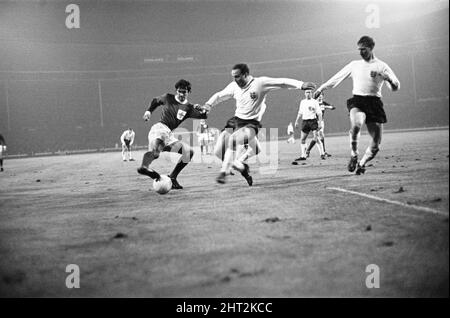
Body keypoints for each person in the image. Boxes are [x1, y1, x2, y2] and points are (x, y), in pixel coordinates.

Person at [200, 63, 316, 185]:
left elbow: (281, 82)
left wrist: (300, 85)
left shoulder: (260, 83)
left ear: (246, 74)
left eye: (238, 76)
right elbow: (219, 95)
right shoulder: (234, 86)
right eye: (233, 76)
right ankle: (241, 167)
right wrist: (208, 104)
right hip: (235, 121)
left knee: (234, 141)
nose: (235, 79)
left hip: (250, 124)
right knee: (218, 152)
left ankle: (223, 172)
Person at [314, 36, 400, 175]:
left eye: (363, 49)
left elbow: (396, 87)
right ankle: (354, 155)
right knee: (356, 124)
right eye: (359, 49)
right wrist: (321, 88)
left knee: (376, 146)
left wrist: (386, 77)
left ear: (371, 48)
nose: (360, 52)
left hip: (374, 103)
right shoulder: (354, 65)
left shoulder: (382, 66)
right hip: (358, 100)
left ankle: (362, 164)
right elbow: (337, 77)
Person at [137, 79, 207, 189]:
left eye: (184, 92)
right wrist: (148, 111)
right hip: (159, 129)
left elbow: (202, 116)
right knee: (155, 153)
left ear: (188, 92)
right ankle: (144, 167)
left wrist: (202, 110)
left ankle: (173, 178)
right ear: (176, 91)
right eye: (179, 91)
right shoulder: (168, 98)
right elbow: (155, 100)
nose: (181, 94)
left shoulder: (188, 107)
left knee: (188, 152)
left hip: (169, 134)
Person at [293, 89, 325, 162]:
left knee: (316, 138)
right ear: (305, 94)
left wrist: (320, 123)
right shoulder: (302, 102)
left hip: (313, 121)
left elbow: (319, 113)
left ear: (311, 93)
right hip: (305, 122)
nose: (308, 94)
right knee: (302, 139)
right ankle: (303, 156)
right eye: (307, 92)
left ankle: (322, 153)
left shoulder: (314, 102)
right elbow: (300, 112)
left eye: (310, 92)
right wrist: (296, 121)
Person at [305, 92, 335, 157]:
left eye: (321, 95)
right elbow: (310, 108)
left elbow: (332, 107)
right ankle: (310, 150)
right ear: (316, 97)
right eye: (319, 95)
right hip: (315, 121)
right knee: (318, 136)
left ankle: (322, 152)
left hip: (321, 121)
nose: (320, 97)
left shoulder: (323, 103)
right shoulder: (314, 103)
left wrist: (330, 107)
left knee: (320, 136)